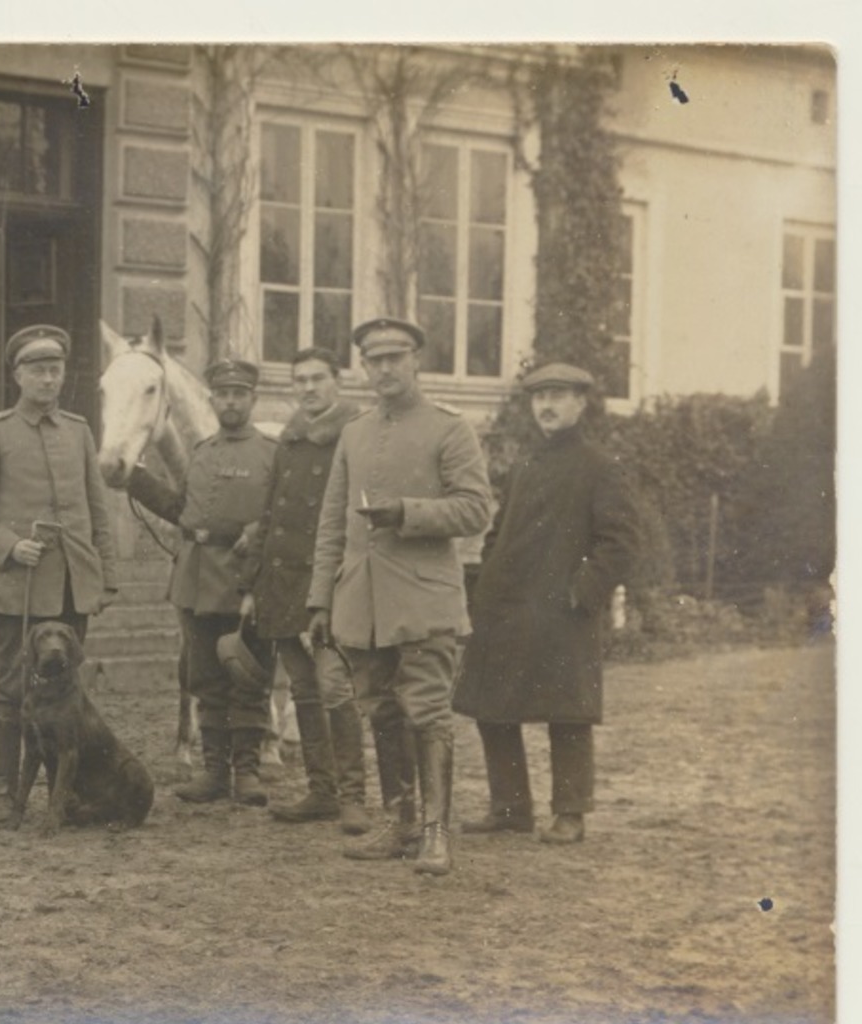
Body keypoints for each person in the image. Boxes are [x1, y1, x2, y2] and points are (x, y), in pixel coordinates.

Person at [306, 318, 491, 876]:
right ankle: (400, 821)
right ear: (363, 367)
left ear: (416, 361)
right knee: (381, 710)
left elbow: (476, 509)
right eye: (374, 359)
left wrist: (407, 512)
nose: (384, 368)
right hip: (361, 603)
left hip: (423, 600)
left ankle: (436, 834)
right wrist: (320, 600)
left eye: (396, 357)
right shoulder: (354, 432)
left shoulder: (449, 429)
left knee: (428, 712)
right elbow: (332, 524)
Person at [453, 362, 640, 844]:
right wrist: (486, 584)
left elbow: (619, 544)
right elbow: (500, 530)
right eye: (540, 397)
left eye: (558, 396)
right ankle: (511, 808)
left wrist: (582, 594)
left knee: (568, 711)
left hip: (562, 610)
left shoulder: (600, 466)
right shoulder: (526, 463)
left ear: (581, 402)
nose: (547, 406)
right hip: (506, 605)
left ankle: (571, 813)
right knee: (491, 705)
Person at [0, 325, 120, 825]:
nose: (49, 380)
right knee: (12, 690)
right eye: (38, 370)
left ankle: (66, 793)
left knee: (68, 694)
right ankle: (6, 793)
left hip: (72, 584)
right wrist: (10, 545)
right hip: (20, 589)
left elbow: (97, 510)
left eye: (56, 370)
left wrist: (106, 576)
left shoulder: (78, 431)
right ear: (18, 376)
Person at [126, 359, 279, 806]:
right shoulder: (202, 452)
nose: (230, 401)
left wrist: (256, 546)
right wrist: (137, 482)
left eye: (239, 394)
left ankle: (247, 771)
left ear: (252, 399)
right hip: (195, 577)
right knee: (205, 677)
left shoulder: (272, 454)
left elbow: (279, 518)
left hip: (245, 580)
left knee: (248, 676)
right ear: (212, 400)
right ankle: (214, 771)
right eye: (223, 394)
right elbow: (184, 513)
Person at [241, 347, 370, 833]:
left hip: (331, 584)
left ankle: (353, 796)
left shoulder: (355, 436)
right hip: (282, 584)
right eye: (300, 380)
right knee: (303, 690)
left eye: (318, 379)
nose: (309, 388)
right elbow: (270, 516)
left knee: (336, 688)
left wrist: (343, 584)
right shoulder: (289, 440)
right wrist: (252, 583)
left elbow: (353, 521)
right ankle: (322, 791)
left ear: (337, 382)